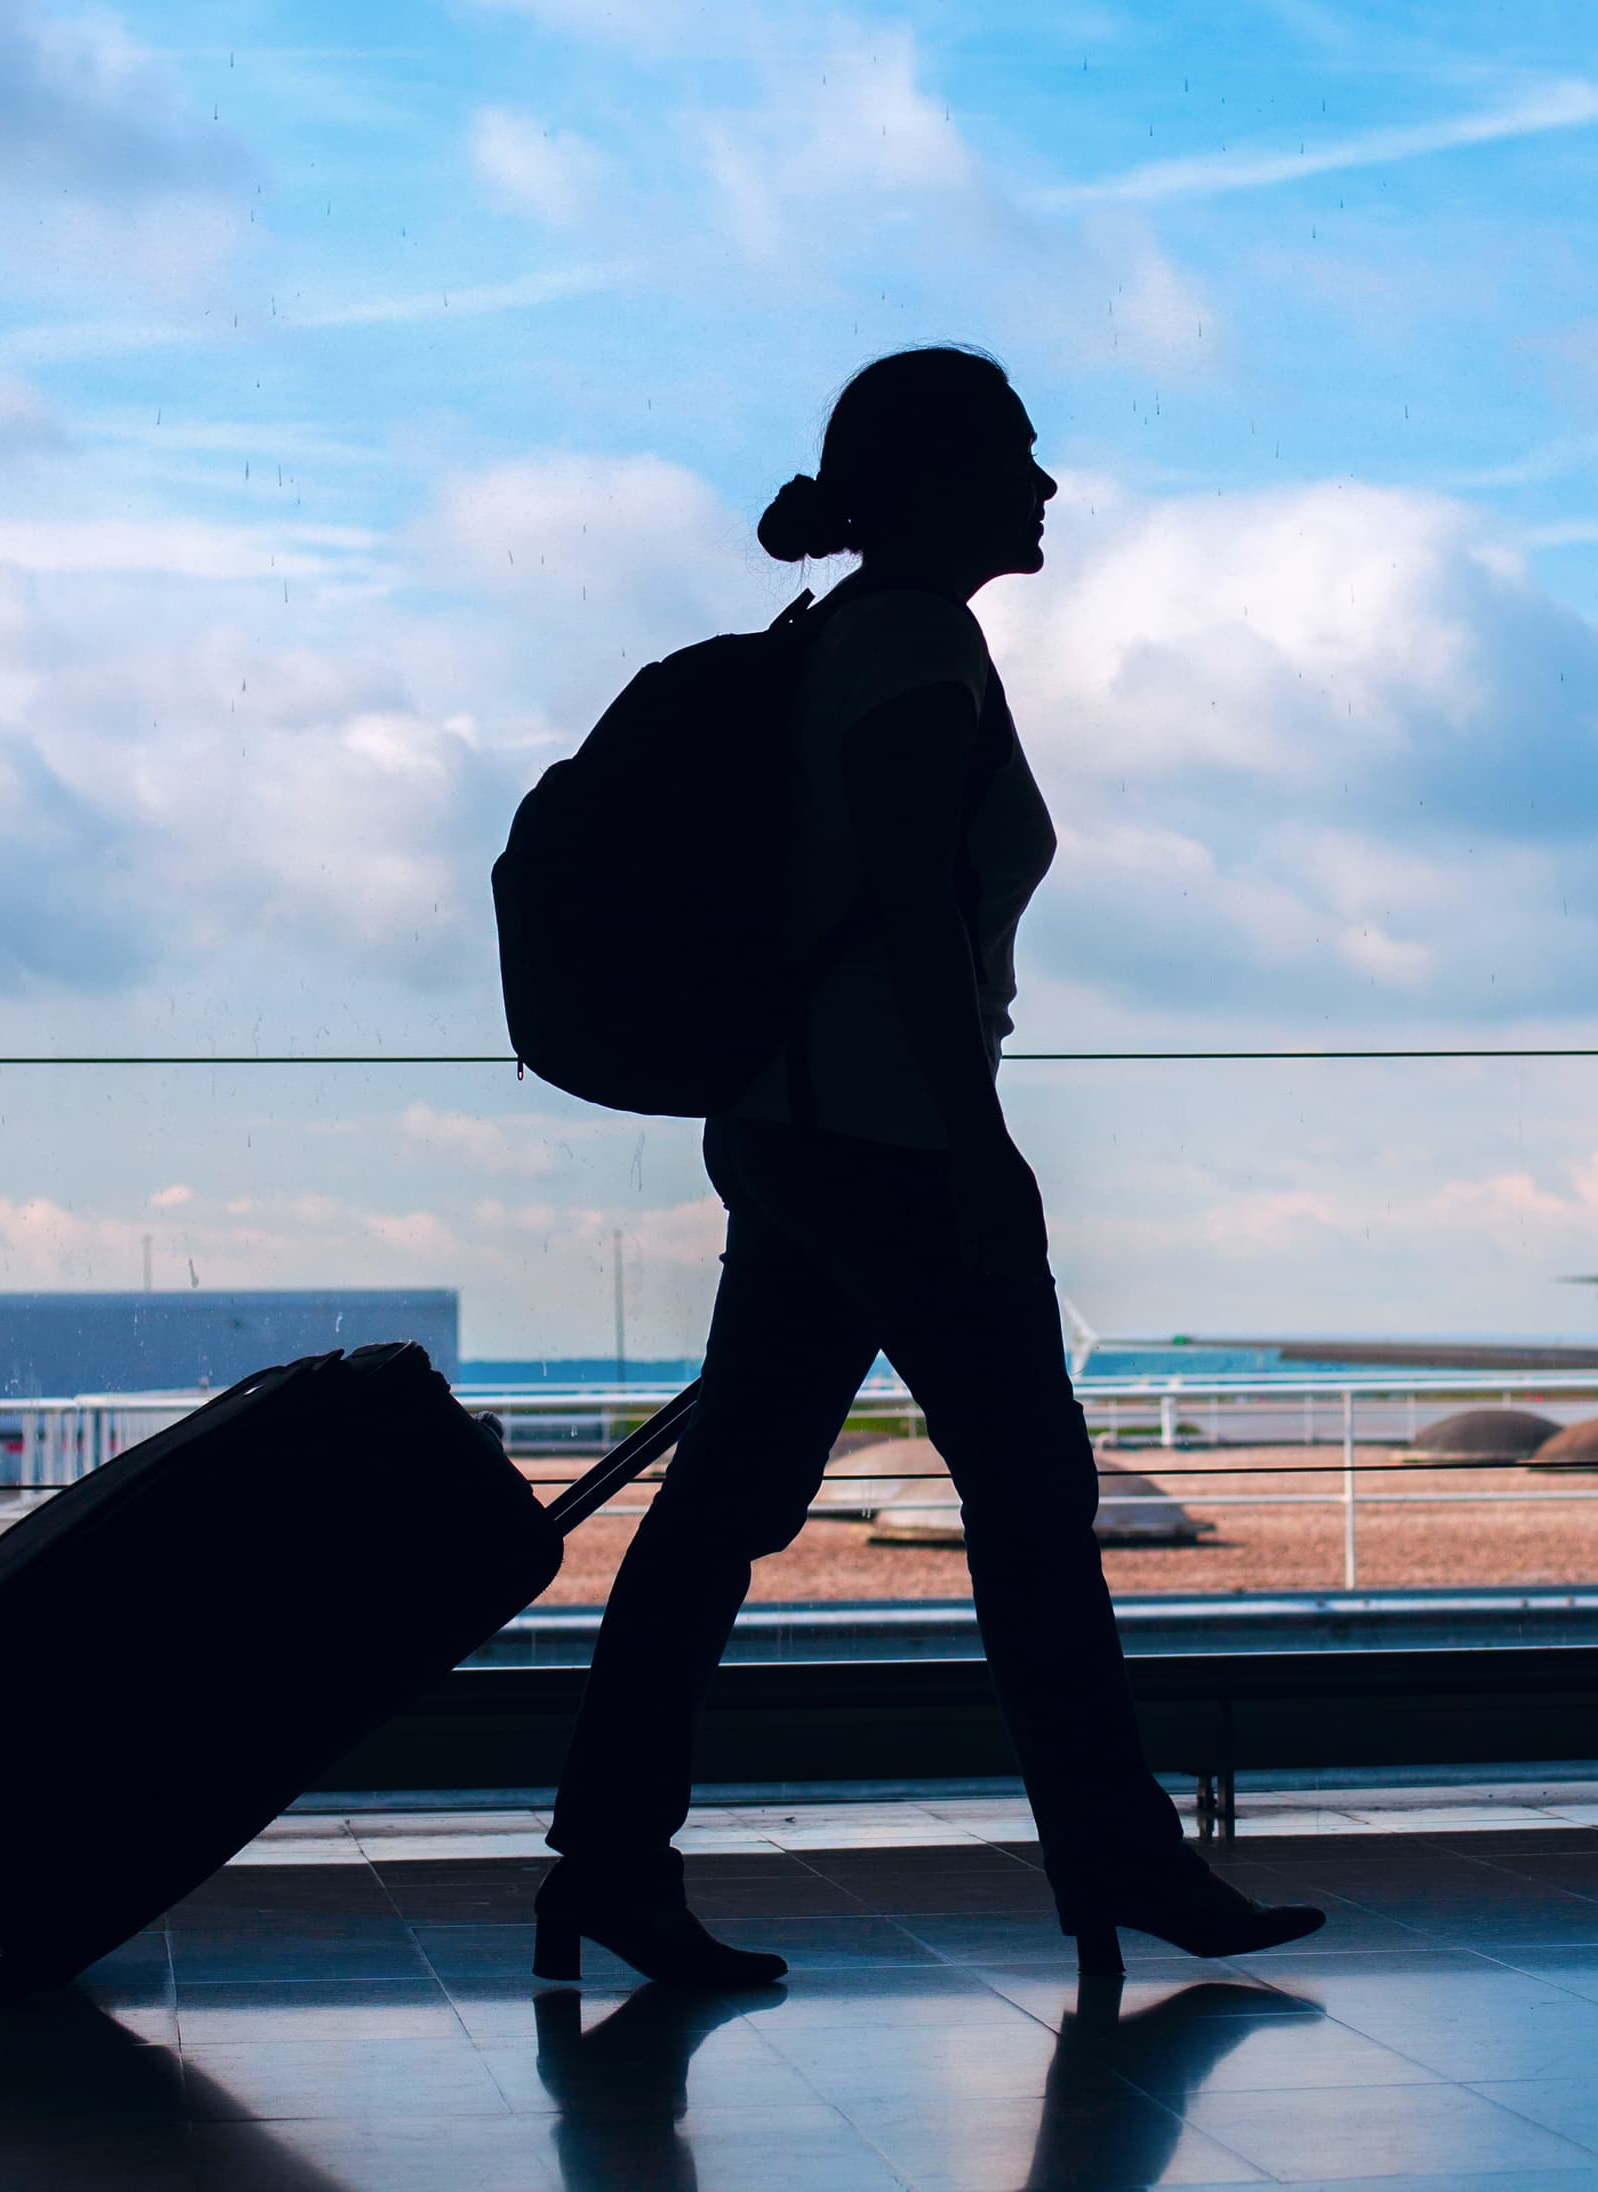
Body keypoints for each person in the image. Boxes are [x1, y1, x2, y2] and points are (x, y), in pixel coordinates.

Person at [534, 347, 1325, 1989]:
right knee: (1032, 1505)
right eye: (1019, 457)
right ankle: (1115, 1858)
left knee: (730, 1512)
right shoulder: (910, 646)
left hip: (801, 1137)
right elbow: (905, 915)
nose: (1046, 486)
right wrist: (980, 1150)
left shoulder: (844, 638)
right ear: (939, 479)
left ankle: (608, 1861)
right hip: (887, 1146)